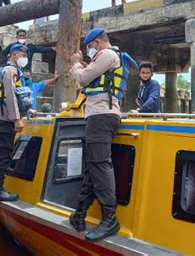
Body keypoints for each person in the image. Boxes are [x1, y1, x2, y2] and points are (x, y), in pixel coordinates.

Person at [69, 28, 132, 242]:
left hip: (100, 116)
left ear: (96, 42)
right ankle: (80, 213)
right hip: (103, 116)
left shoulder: (106, 54)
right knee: (93, 165)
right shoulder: (112, 56)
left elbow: (84, 78)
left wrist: (76, 63)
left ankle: (109, 219)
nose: (89, 50)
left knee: (100, 165)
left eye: (90, 46)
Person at [0, 44, 30, 201]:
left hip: (4, 116)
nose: (25, 58)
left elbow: (19, 97)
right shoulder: (10, 71)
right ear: (14, 55)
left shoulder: (13, 71)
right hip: (6, 118)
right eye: (23, 55)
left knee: (2, 154)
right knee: (4, 155)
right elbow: (10, 96)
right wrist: (17, 119)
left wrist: (28, 111)